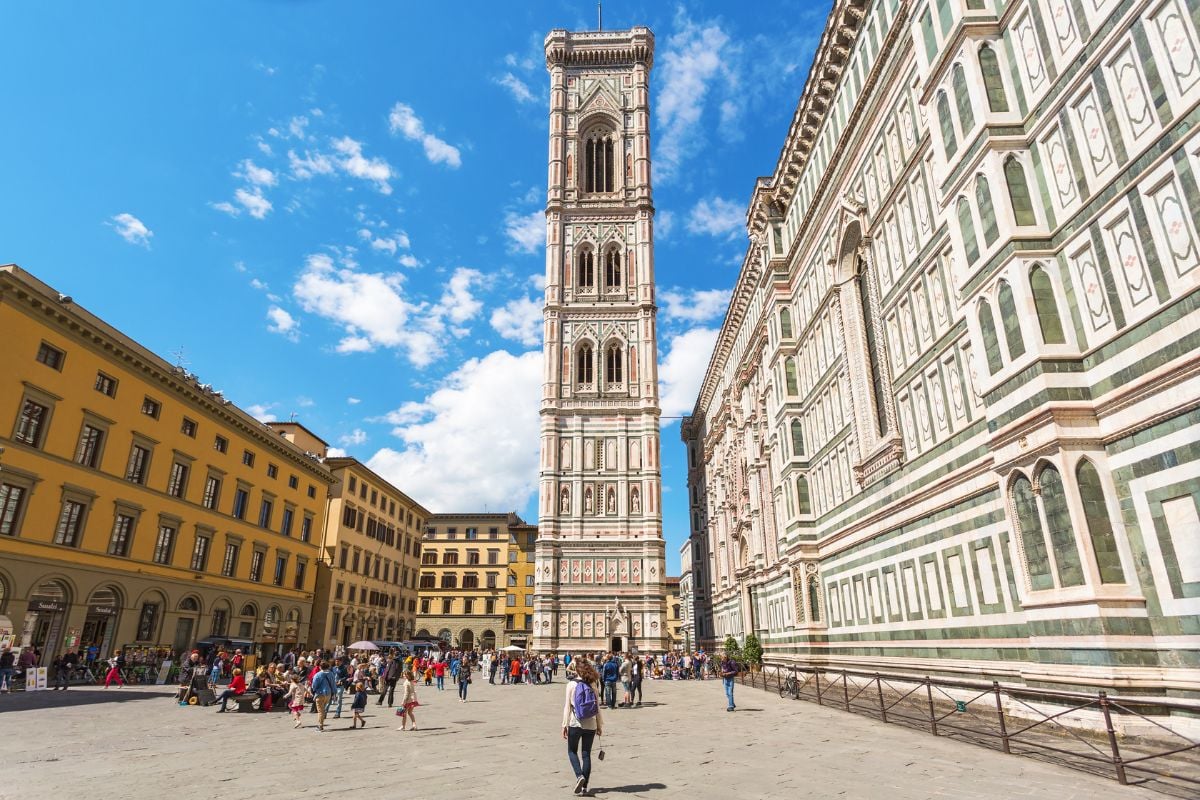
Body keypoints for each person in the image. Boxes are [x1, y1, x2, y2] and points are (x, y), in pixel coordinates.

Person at [563, 660, 604, 797]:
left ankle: (579, 776)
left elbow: (567, 707)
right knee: (586, 754)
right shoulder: (593, 684)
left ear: (577, 671)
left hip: (575, 723)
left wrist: (564, 724)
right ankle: (584, 787)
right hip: (590, 724)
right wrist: (599, 725)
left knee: (571, 751)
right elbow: (597, 707)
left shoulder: (571, 684)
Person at [310, 660, 337, 732]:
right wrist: (334, 693)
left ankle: (320, 725)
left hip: (320, 694)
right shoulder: (331, 674)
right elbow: (333, 684)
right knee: (323, 709)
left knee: (320, 711)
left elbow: (314, 686)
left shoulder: (318, 675)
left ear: (320, 667)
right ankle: (321, 723)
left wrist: (314, 690)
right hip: (328, 694)